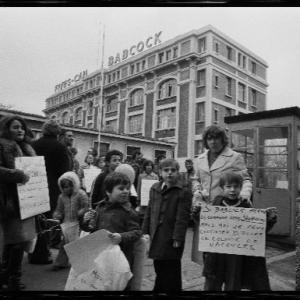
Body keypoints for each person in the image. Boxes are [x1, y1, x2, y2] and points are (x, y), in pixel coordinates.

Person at [192, 172, 277, 291]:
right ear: (222, 188)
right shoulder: (216, 202)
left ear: (241, 188)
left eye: (236, 186)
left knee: (233, 284)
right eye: (228, 186)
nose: (232, 190)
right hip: (216, 254)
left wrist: (268, 219)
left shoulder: (245, 205)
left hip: (235, 257)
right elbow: (205, 225)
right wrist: (197, 213)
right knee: (211, 285)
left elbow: (256, 232)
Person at [191, 125, 253, 264]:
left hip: (226, 209)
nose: (213, 141)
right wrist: (197, 189)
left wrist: (244, 193)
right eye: (209, 138)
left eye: (216, 138)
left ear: (223, 139)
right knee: (207, 253)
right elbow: (196, 179)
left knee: (225, 253)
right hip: (205, 209)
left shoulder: (234, 157)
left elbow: (246, 179)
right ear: (206, 141)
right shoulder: (200, 159)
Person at [79, 172, 142, 290]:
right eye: (121, 188)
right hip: (100, 257)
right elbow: (91, 229)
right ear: (108, 191)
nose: (126, 191)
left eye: (127, 188)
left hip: (121, 259)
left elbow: (137, 232)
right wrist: (85, 222)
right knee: (101, 283)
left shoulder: (129, 212)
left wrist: (121, 237)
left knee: (119, 285)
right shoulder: (99, 208)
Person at [142, 158, 192, 292]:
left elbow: (183, 217)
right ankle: (160, 287)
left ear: (178, 172)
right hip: (156, 234)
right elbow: (149, 210)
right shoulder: (155, 188)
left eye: (173, 170)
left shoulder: (183, 191)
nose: (169, 173)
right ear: (160, 172)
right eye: (166, 170)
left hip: (171, 236)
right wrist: (145, 231)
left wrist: (178, 238)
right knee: (158, 263)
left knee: (171, 267)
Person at [0, 115, 37, 290]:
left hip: (27, 200)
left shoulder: (27, 147)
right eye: (15, 127)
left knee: (20, 240)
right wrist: (18, 175)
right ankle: (11, 277)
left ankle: (9, 276)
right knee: (14, 240)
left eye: (22, 127)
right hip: (9, 200)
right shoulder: (2, 145)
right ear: (7, 128)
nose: (20, 130)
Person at [32, 120, 70, 217]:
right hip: (53, 190)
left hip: (34, 188)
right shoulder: (60, 148)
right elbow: (64, 173)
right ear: (57, 132)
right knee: (49, 221)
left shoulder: (33, 145)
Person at [52, 171, 89, 270]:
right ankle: (61, 262)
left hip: (78, 223)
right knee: (65, 243)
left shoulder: (80, 194)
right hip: (67, 223)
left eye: (69, 186)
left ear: (74, 184)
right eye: (64, 186)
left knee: (77, 243)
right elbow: (59, 209)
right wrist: (57, 215)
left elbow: (86, 206)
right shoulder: (61, 197)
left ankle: (80, 262)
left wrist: (80, 212)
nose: (66, 189)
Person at [136, 159, 159, 224]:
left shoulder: (155, 176)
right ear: (144, 167)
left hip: (152, 199)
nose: (149, 167)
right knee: (143, 215)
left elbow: (157, 188)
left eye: (150, 165)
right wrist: (138, 199)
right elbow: (139, 188)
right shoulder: (141, 176)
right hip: (143, 199)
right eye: (147, 165)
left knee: (152, 214)